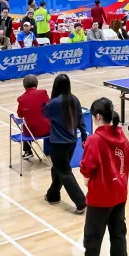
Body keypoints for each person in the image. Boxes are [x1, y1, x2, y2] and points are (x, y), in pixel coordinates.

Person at [69, 97, 129, 256]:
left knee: (92, 239)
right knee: (118, 234)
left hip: (100, 197)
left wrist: (87, 178)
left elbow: (87, 166)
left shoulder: (95, 140)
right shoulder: (121, 135)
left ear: (97, 116)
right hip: (119, 193)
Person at [44, 74, 88, 213]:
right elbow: (81, 120)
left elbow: (44, 112)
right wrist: (84, 136)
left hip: (58, 143)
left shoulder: (54, 103)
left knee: (64, 171)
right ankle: (53, 195)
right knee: (57, 168)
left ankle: (81, 202)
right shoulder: (75, 99)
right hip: (72, 142)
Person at [16, 74, 50, 159]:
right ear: (36, 84)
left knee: (26, 125)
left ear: (24, 86)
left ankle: (28, 151)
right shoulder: (43, 93)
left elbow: (20, 115)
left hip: (30, 132)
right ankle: (51, 150)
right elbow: (50, 107)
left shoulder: (21, 99)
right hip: (47, 130)